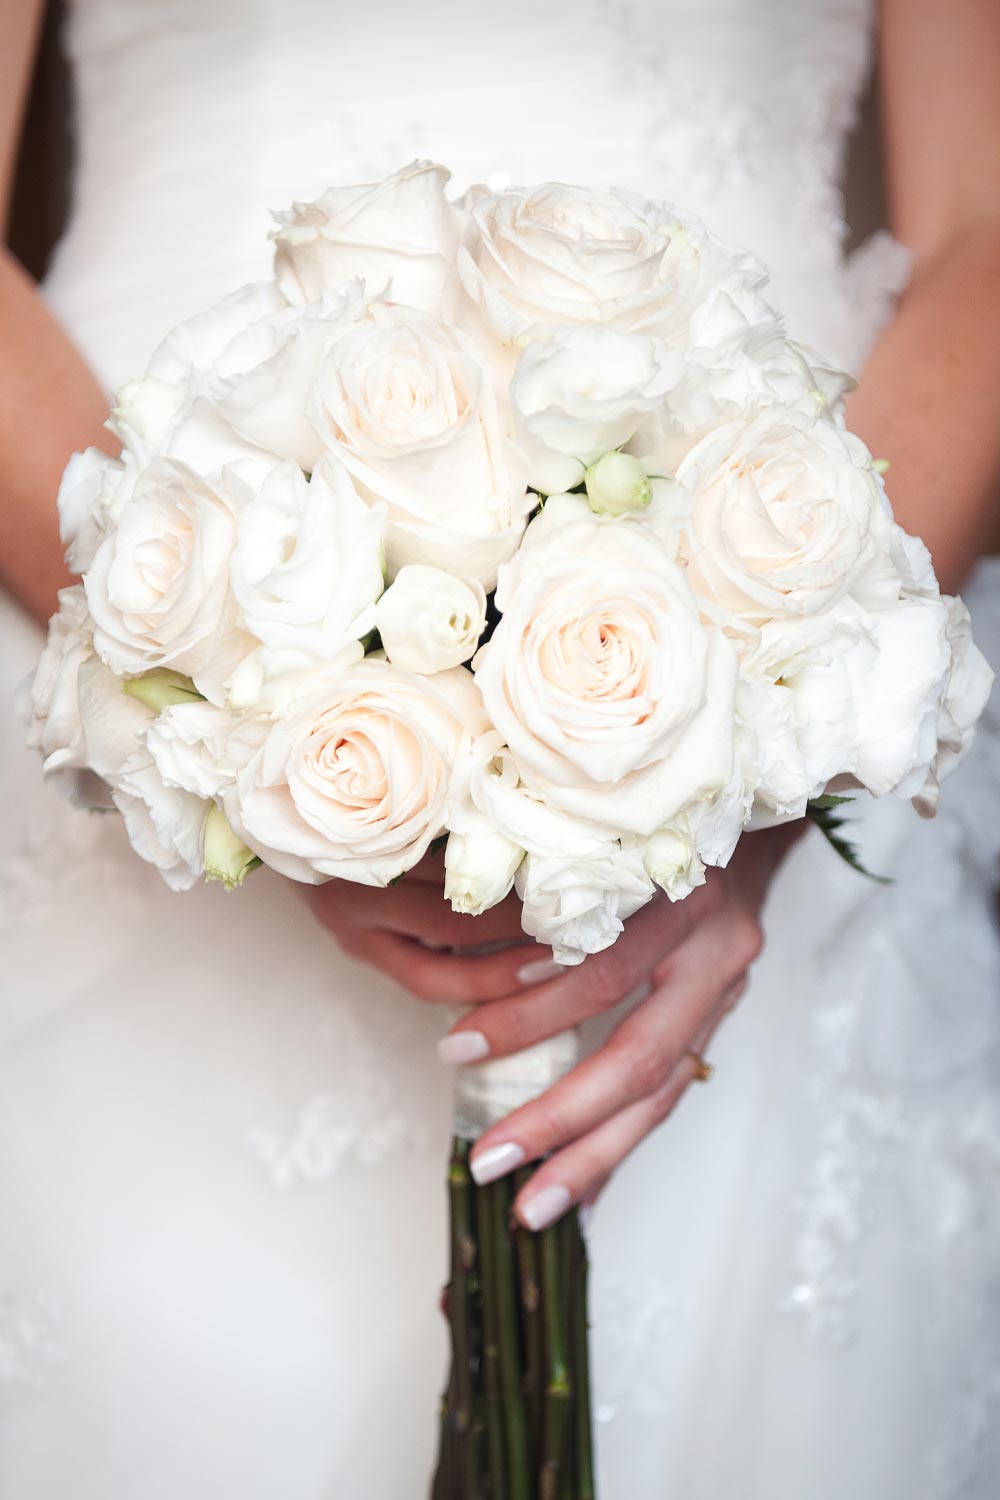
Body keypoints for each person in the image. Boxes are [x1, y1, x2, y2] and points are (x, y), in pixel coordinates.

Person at [1, 1, 999, 1495]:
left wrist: (773, 757)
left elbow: (987, 223)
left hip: (790, 574)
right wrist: (214, 709)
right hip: (132, 571)